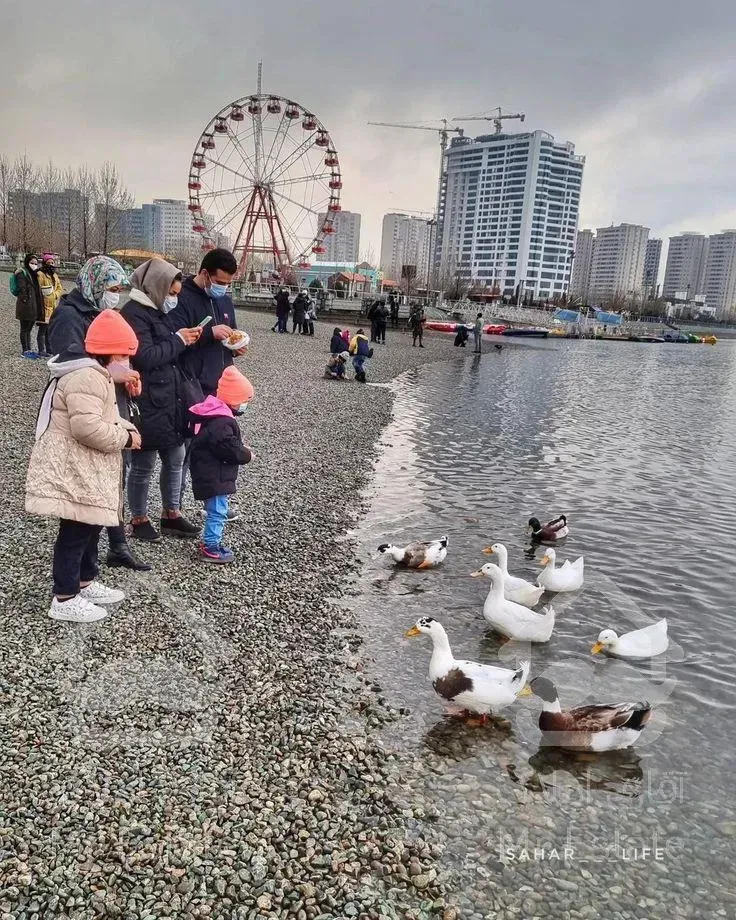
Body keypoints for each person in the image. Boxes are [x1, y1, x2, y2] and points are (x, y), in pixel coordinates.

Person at [25, 311, 142, 623]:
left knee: (90, 524)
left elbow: (100, 415)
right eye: (124, 355)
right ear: (109, 352)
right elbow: (86, 428)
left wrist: (125, 426)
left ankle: (84, 581)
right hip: (76, 468)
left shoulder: (94, 374)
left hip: (85, 466)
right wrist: (124, 438)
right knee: (76, 529)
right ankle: (65, 596)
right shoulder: (87, 377)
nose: (127, 362)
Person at [48, 255, 151, 572]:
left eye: (120, 288)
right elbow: (69, 367)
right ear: (94, 284)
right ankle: (73, 581)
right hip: (85, 411)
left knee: (110, 479)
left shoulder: (102, 312)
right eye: (113, 287)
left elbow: (114, 358)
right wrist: (112, 374)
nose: (117, 294)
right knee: (87, 492)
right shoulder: (69, 316)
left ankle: (100, 561)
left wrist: (127, 378)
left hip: (109, 402)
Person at [121, 259, 204, 542]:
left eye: (178, 294)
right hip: (147, 400)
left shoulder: (158, 311)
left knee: (176, 457)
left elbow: (166, 351)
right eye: (172, 294)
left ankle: (172, 513)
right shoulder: (133, 313)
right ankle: (138, 518)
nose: (175, 300)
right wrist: (179, 341)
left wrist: (186, 341)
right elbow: (144, 356)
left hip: (170, 398)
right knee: (143, 463)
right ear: (157, 287)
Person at [189, 367, 254, 564]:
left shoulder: (214, 413)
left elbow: (223, 443)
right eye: (244, 401)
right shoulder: (223, 422)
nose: (244, 405)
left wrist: (239, 447)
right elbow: (228, 448)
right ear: (233, 399)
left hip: (208, 471)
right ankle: (211, 546)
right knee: (218, 512)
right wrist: (246, 455)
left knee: (215, 509)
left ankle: (210, 543)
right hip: (215, 474)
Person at [166, 248, 243, 398]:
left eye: (228, 284)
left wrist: (236, 348)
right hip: (194, 384)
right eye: (220, 282)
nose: (223, 287)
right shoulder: (180, 298)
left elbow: (232, 333)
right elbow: (173, 340)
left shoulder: (225, 301)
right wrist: (210, 333)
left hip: (224, 383)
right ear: (205, 274)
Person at [14, 254, 44, 358]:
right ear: (27, 262)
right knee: (24, 329)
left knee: (29, 329)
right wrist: (25, 299)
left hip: (34, 305)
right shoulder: (22, 273)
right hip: (26, 305)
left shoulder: (35, 274)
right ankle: (25, 350)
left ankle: (28, 349)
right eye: (32, 263)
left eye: (36, 263)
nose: (34, 265)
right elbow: (22, 288)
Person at [37, 256, 64, 356]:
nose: (51, 264)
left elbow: (59, 287)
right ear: (44, 263)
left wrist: (55, 295)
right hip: (44, 305)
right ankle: (41, 350)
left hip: (53, 305)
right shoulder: (40, 274)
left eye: (52, 262)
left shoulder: (55, 275)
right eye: (49, 262)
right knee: (43, 328)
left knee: (50, 329)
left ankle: (49, 349)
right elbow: (38, 288)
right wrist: (47, 295)